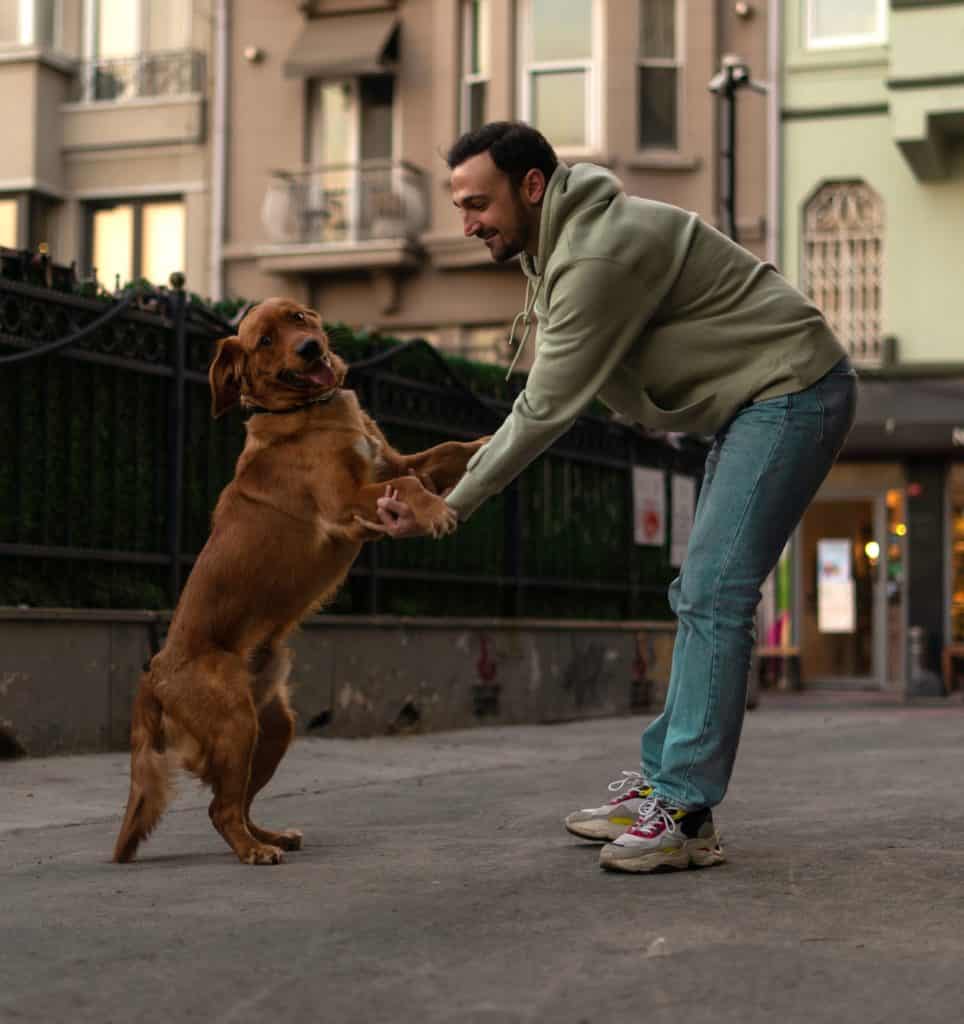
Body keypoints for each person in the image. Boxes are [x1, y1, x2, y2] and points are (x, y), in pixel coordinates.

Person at [372, 121, 857, 874]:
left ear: (532, 186)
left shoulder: (594, 254)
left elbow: (544, 409)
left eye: (477, 204)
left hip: (792, 390)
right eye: (460, 206)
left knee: (715, 594)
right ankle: (668, 784)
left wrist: (452, 506)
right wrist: (451, 473)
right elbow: (555, 397)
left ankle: (687, 812)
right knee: (700, 591)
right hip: (755, 401)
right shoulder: (563, 247)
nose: (466, 224)